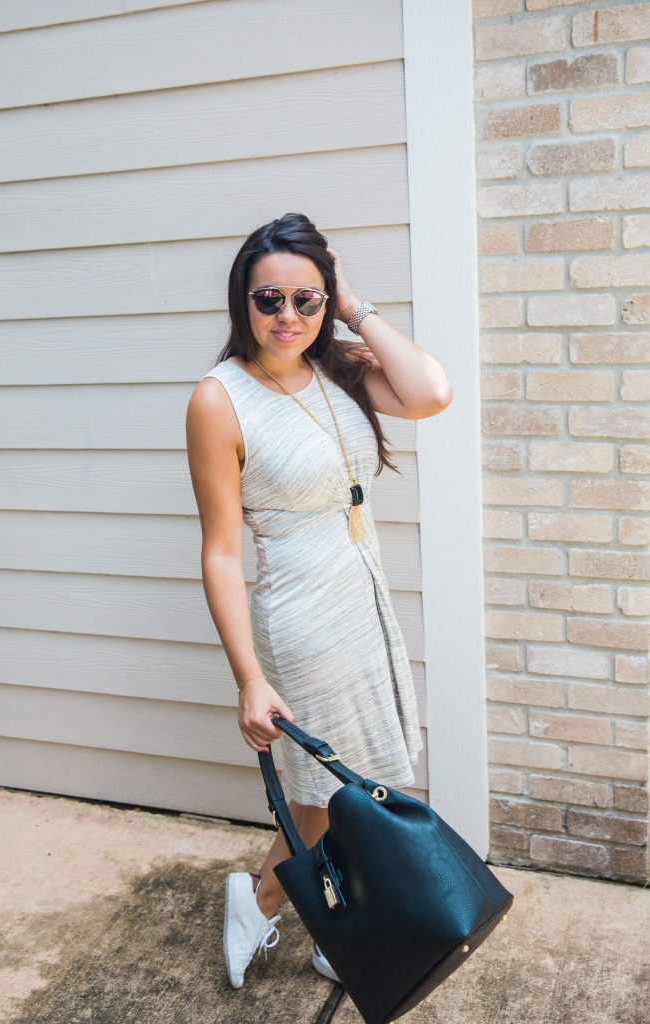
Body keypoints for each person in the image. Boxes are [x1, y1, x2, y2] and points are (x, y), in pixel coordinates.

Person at [185, 212, 452, 990]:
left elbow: (430, 393)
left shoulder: (337, 367)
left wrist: (353, 305)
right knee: (326, 795)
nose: (287, 317)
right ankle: (264, 900)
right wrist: (248, 677)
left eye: (307, 300)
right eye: (268, 299)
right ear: (242, 300)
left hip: (362, 601)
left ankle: (327, 923)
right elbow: (221, 550)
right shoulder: (219, 399)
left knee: (353, 786)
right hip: (301, 617)